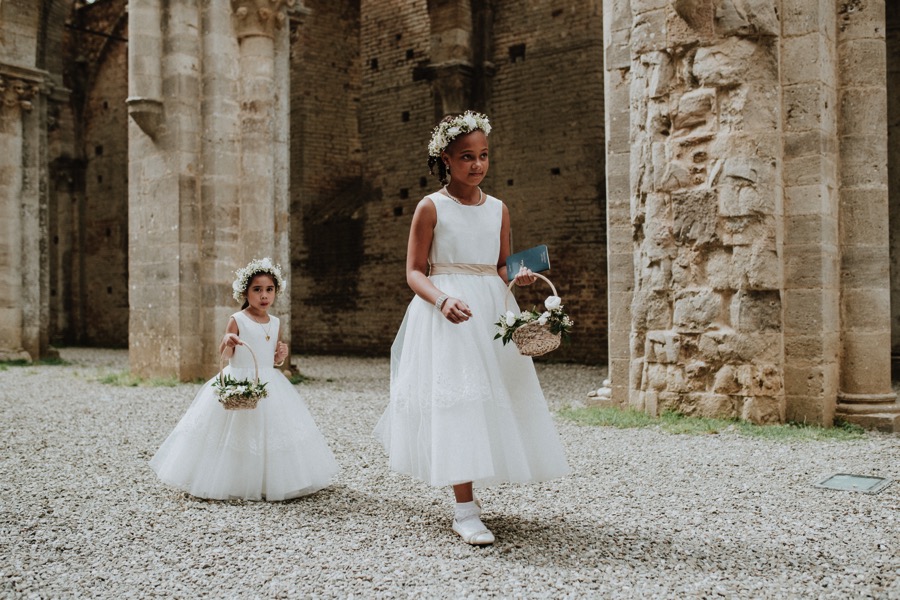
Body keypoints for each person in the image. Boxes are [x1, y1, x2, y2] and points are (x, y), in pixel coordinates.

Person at [374, 111, 570, 545]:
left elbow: (500, 265)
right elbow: (413, 271)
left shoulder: (499, 208)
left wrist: (517, 277)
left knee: (494, 396)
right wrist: (442, 299)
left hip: (490, 311)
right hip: (448, 312)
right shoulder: (431, 207)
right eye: (466, 157)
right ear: (446, 157)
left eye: (483, 156)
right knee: (459, 401)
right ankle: (464, 508)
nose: (477, 165)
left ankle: (478, 490)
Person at [150, 257, 338, 501]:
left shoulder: (275, 322)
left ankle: (266, 479)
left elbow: (270, 359)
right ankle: (230, 478)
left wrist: (279, 357)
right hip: (239, 379)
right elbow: (227, 355)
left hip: (267, 381)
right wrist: (228, 342)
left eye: (269, 290)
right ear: (245, 292)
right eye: (257, 290)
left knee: (269, 432)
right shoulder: (237, 319)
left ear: (275, 292)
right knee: (234, 430)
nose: (264, 296)